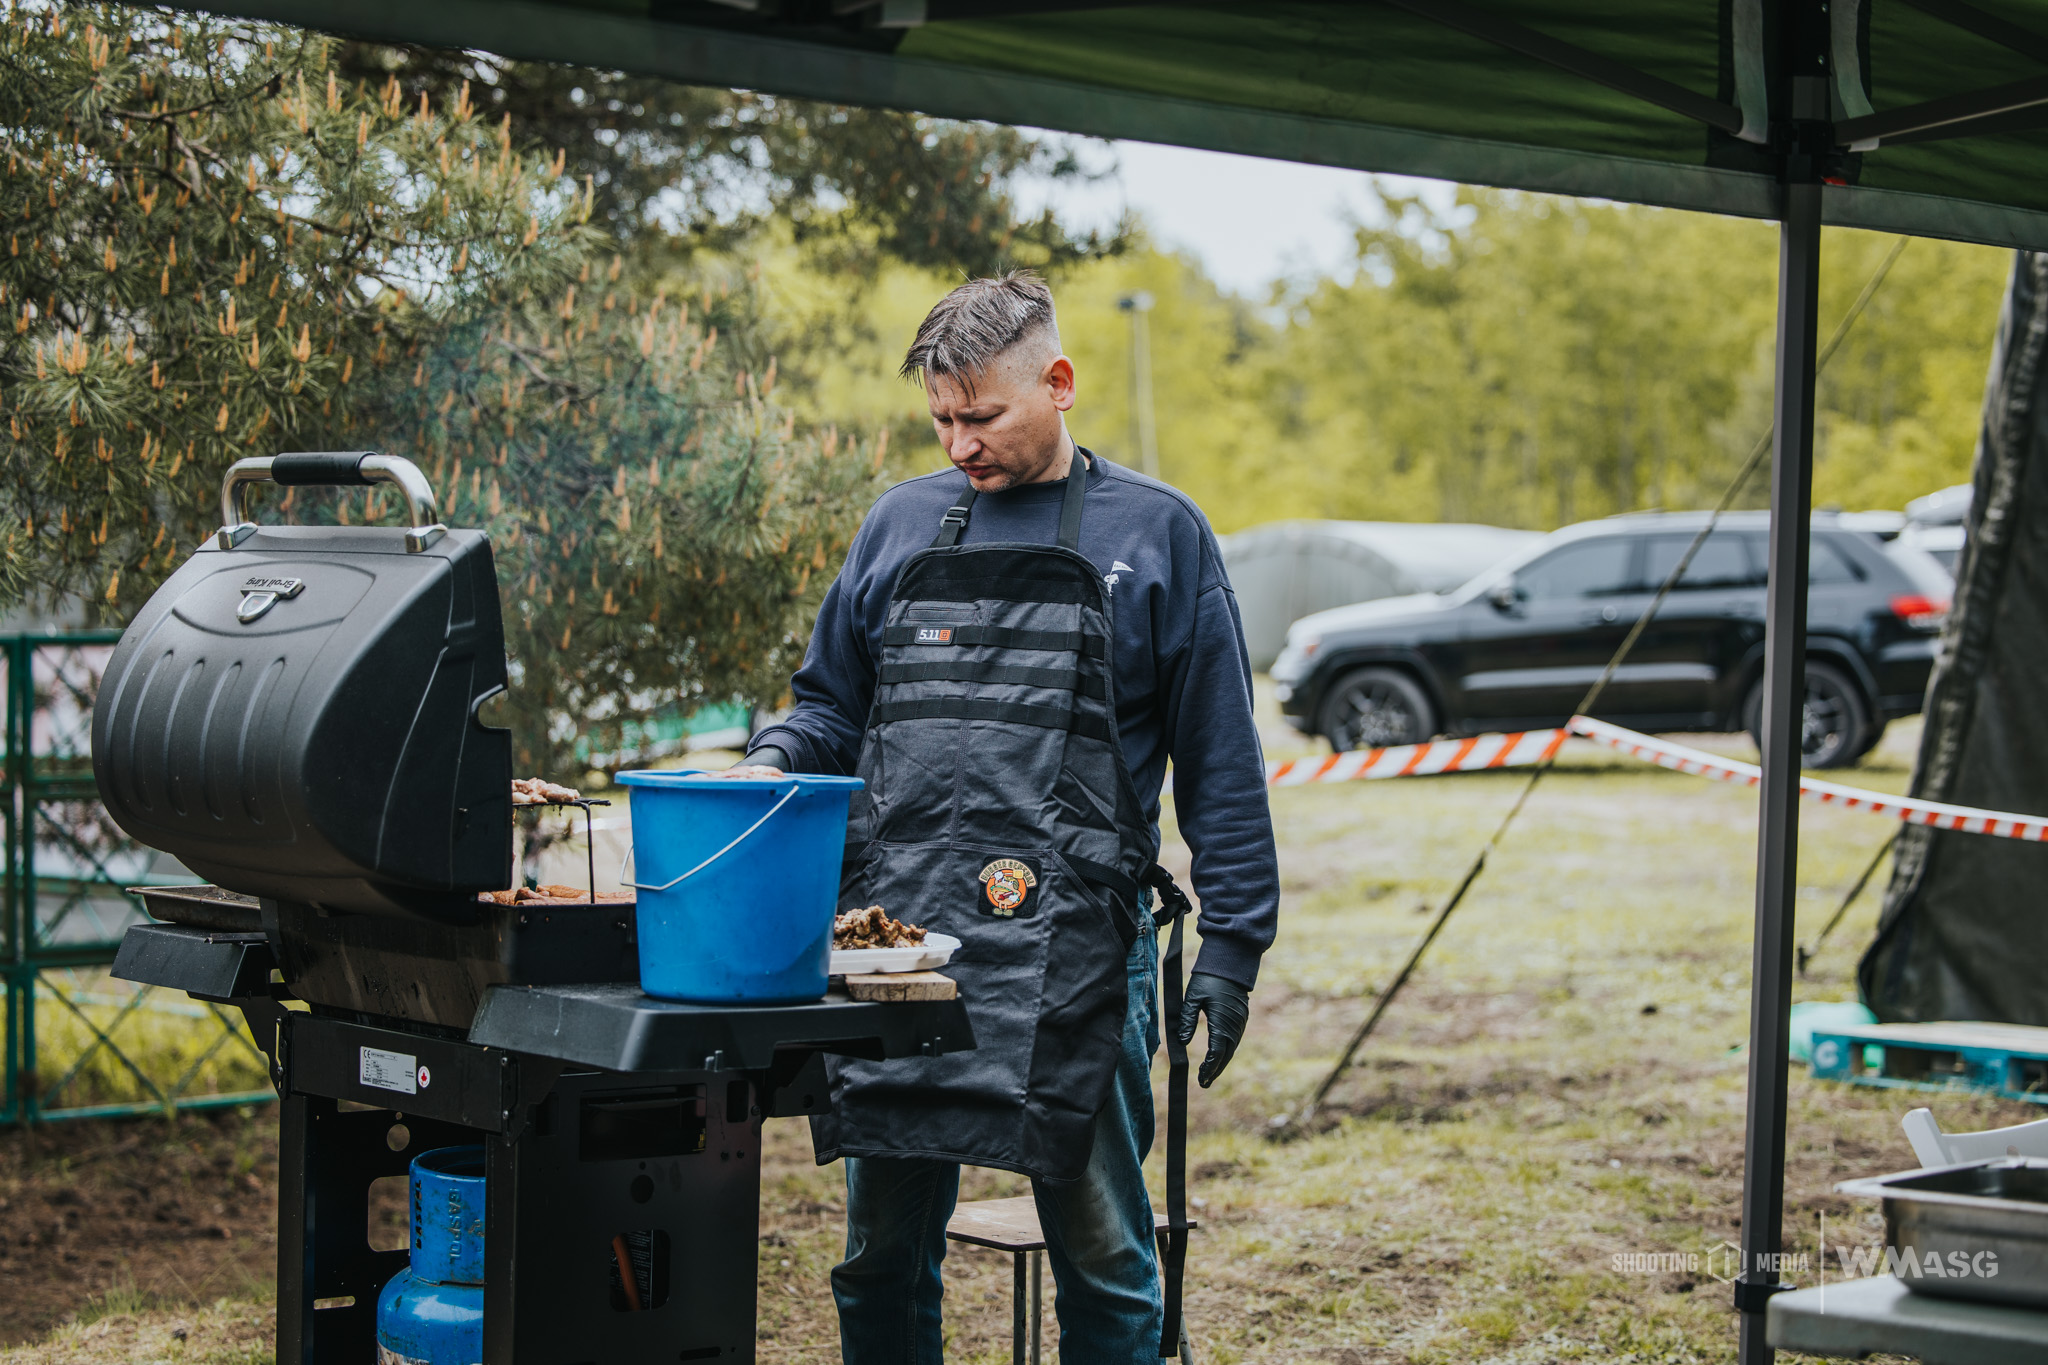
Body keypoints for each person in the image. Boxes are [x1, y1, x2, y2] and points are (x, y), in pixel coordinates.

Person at [743, 271, 1278, 1362]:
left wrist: (1232, 945)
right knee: (879, 1257)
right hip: (896, 952)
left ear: (1059, 384)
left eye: (980, 414)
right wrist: (766, 767)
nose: (957, 443)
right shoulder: (897, 524)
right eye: (940, 417)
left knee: (1105, 1259)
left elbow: (1218, 760)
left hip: (1076, 953)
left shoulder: (1159, 534)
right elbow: (829, 707)